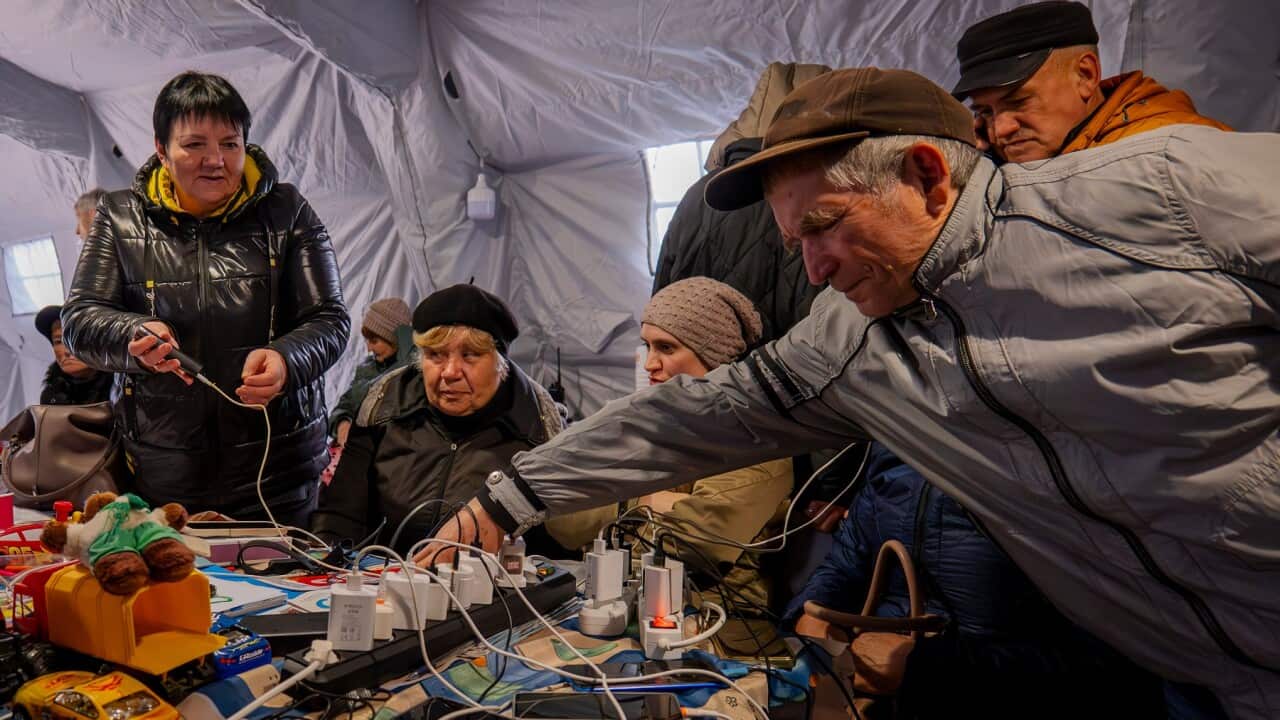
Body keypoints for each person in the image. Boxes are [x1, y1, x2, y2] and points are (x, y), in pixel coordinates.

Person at [424, 68, 1279, 719]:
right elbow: (698, 413)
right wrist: (516, 494)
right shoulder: (852, 336)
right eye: (796, 240)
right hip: (1201, 683)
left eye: (825, 226)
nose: (812, 267)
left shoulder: (1164, 194)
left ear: (926, 175)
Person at [62, 71, 348, 524]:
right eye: (194, 144)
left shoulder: (287, 211)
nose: (215, 160)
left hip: (279, 470)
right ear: (161, 149)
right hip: (163, 473)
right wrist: (131, 335)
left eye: (230, 144)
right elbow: (78, 320)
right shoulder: (120, 218)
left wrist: (286, 360)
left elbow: (330, 319)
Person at [786, 443, 1164, 718]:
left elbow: (1117, 665)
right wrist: (811, 617)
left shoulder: (1074, 477)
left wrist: (926, 668)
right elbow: (847, 559)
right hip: (875, 693)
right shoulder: (900, 444)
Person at [311, 284, 612, 556]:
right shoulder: (383, 405)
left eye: (469, 356)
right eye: (436, 355)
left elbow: (552, 547)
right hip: (384, 584)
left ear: (500, 364)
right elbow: (340, 515)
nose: (450, 372)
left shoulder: (536, 425)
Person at [631, 277, 792, 645]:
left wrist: (626, 502)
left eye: (666, 347)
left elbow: (700, 542)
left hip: (725, 628)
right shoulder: (654, 427)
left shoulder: (760, 444)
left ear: (714, 354)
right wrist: (649, 502)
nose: (650, 364)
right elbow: (568, 519)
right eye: (647, 346)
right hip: (646, 610)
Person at [953, 0, 1229, 164]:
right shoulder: (1021, 159)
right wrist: (979, 163)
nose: (1000, 130)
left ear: (1085, 75)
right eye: (985, 112)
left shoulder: (1180, 153)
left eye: (1019, 101)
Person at [329, 297, 414, 448]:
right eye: (367, 341)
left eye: (374, 341)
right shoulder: (366, 368)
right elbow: (345, 405)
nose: (368, 349)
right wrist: (342, 424)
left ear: (395, 339)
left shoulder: (413, 372)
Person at [33, 305, 112, 406]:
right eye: (58, 341)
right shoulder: (51, 396)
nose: (67, 350)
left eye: (76, 339)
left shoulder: (123, 388)